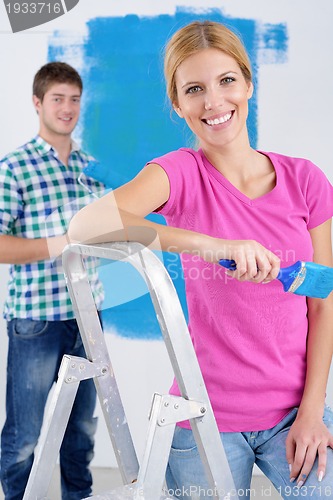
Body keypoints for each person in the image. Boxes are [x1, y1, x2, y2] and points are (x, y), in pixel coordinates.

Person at [67, 21, 333, 499]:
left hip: (296, 414)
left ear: (248, 83)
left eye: (226, 81)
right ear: (178, 104)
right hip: (203, 421)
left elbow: (323, 300)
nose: (213, 102)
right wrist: (215, 246)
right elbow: (85, 226)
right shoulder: (181, 173)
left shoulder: (305, 181)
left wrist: (313, 410)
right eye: (195, 89)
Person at [0, 62, 104, 500]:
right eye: (58, 99)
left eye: (74, 99)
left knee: (81, 433)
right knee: (24, 435)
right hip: (36, 321)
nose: (67, 108)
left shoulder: (92, 166)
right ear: (38, 103)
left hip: (88, 315)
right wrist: (58, 243)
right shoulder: (14, 168)